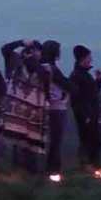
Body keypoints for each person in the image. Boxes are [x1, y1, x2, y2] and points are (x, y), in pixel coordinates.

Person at [0, 39, 49, 173]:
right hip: (16, 113)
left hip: (31, 114)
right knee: (17, 144)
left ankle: (28, 176)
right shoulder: (15, 62)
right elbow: (5, 49)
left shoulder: (42, 68)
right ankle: (18, 174)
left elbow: (44, 81)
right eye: (36, 51)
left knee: (29, 145)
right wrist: (21, 42)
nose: (38, 54)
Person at [40, 41, 74, 178]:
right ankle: (53, 170)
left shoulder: (41, 66)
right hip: (56, 106)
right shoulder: (51, 68)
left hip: (46, 106)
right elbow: (68, 85)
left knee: (49, 140)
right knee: (56, 140)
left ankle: (49, 169)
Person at [70, 45, 101, 172]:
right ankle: (87, 166)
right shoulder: (76, 76)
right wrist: (85, 115)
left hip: (91, 114)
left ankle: (94, 167)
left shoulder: (84, 75)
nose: (91, 60)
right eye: (89, 57)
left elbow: (92, 93)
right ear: (83, 58)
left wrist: (98, 81)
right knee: (88, 140)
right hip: (86, 116)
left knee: (95, 140)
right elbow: (77, 99)